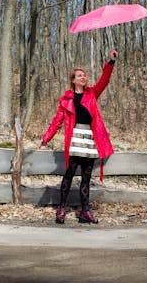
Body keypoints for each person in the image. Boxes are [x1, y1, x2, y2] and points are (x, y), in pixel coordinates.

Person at [40, 49, 118, 224]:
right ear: (73, 80)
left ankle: (85, 212)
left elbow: (104, 80)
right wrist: (46, 138)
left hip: (89, 139)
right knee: (68, 175)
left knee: (86, 177)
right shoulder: (66, 99)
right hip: (74, 139)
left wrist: (110, 62)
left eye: (84, 75)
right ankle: (61, 209)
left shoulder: (92, 93)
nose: (83, 77)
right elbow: (57, 121)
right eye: (79, 75)